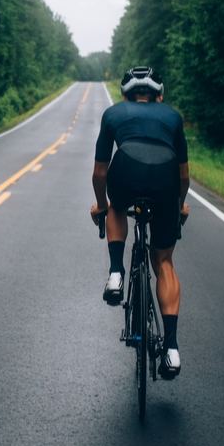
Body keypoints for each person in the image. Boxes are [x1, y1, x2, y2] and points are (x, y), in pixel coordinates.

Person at [90, 66, 190, 379]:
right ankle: (171, 349)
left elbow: (100, 173)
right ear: (159, 94)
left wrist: (102, 205)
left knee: (118, 207)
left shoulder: (113, 114)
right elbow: (184, 176)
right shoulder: (173, 117)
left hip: (126, 172)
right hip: (166, 181)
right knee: (164, 262)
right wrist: (178, 205)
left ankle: (117, 273)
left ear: (126, 95)